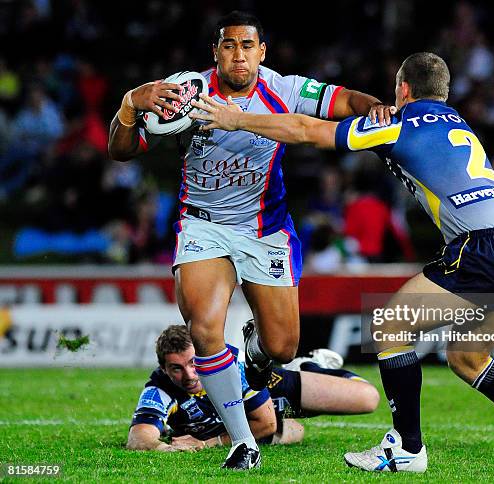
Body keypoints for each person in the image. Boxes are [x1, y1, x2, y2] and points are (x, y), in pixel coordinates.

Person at [189, 52, 494, 473]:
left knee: (388, 325)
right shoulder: (455, 121)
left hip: (480, 251)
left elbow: (307, 130)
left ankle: (406, 448)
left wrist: (237, 120)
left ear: (404, 90)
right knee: (469, 359)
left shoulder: (398, 123)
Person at [107, 11, 390, 469]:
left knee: (282, 348)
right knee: (203, 327)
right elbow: (121, 150)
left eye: (247, 46)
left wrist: (376, 105)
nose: (238, 54)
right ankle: (244, 442)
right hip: (203, 225)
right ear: (215, 52)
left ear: (262, 52)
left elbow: (347, 101)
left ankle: (257, 358)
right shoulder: (185, 93)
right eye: (228, 45)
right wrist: (128, 105)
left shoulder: (285, 89)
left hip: (265, 231)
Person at [127, 325, 379, 452]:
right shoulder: (159, 389)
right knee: (293, 431)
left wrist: (205, 443)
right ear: (163, 368)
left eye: (194, 363)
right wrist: (167, 449)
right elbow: (138, 437)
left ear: (204, 356)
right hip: (263, 417)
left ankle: (308, 365)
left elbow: (266, 424)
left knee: (368, 397)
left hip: (278, 393)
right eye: (176, 368)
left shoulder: (231, 367)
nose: (189, 375)